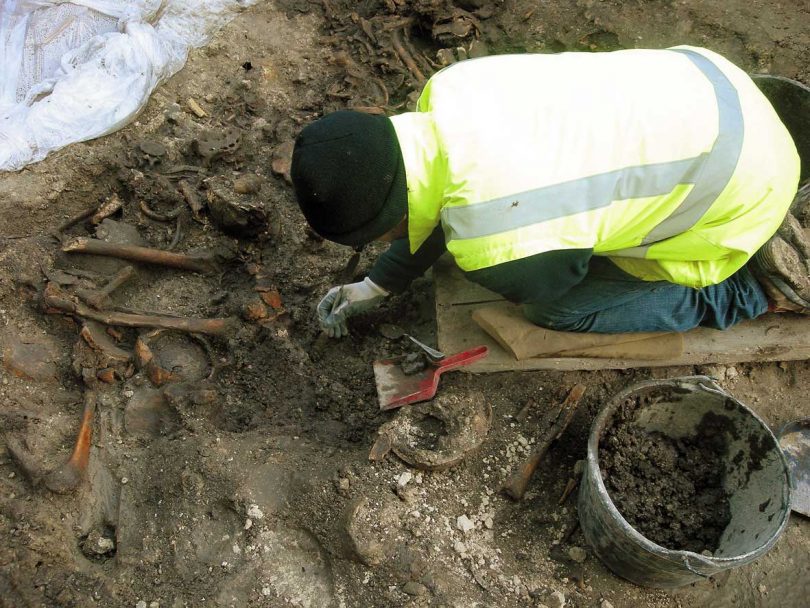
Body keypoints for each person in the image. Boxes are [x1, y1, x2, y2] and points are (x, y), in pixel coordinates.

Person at [290, 46, 806, 338]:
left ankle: (744, 294)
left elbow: (561, 274)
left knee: (555, 312)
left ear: (390, 221)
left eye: (376, 239)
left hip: (745, 190)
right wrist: (377, 285)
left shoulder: (497, 238)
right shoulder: (447, 90)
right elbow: (433, 191)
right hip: (715, 83)